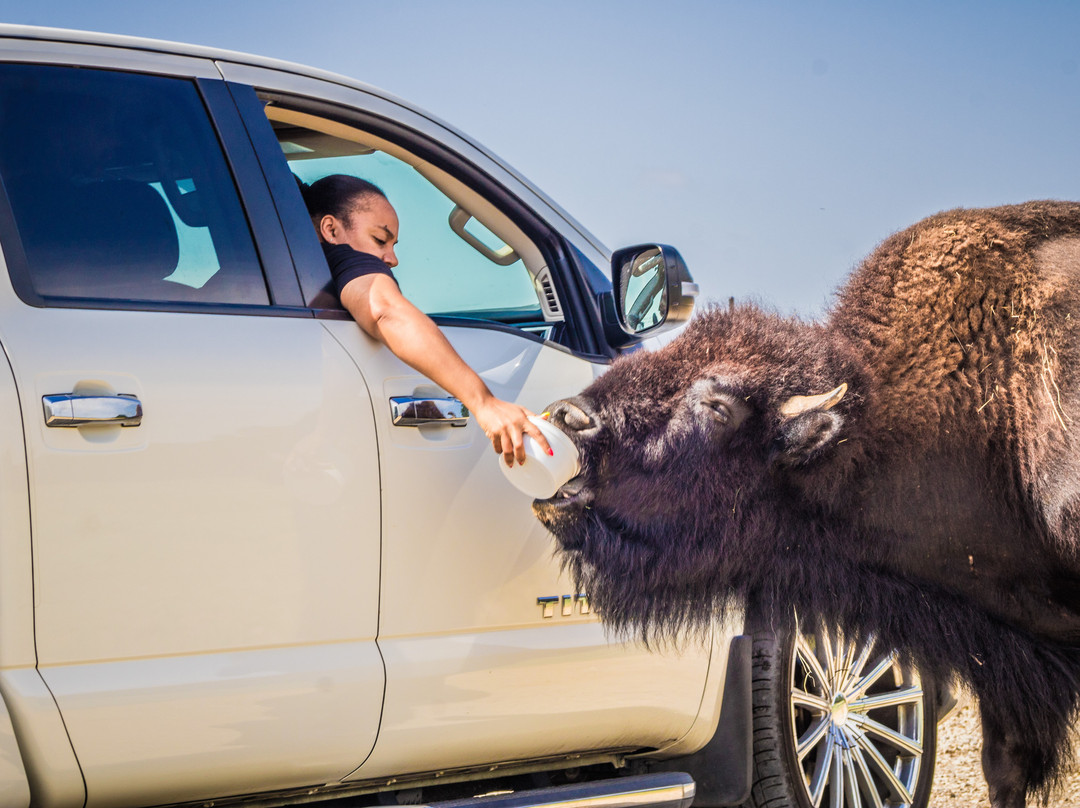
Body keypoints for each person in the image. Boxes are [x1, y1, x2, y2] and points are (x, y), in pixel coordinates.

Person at [300, 174, 550, 466]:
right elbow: (386, 311)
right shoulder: (345, 258)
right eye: (380, 239)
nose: (392, 258)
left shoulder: (297, 265)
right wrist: (485, 403)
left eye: (393, 245)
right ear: (330, 230)